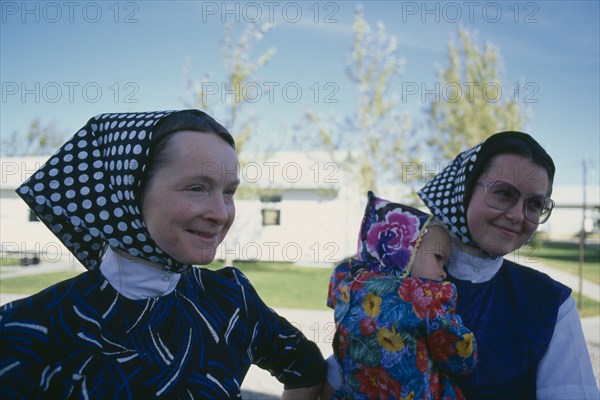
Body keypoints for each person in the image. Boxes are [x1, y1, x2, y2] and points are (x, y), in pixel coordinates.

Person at [0, 109, 326, 399]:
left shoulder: (233, 299)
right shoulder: (26, 330)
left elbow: (305, 367)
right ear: (129, 192)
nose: (221, 213)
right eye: (197, 187)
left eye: (228, 192)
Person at [418, 131, 599, 399]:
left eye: (535, 204)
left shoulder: (551, 304)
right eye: (504, 193)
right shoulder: (396, 279)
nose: (517, 215)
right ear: (464, 189)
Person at [325, 191, 477, 399]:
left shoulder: (348, 283)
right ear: (404, 250)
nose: (444, 272)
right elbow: (459, 355)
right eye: (438, 258)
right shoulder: (423, 299)